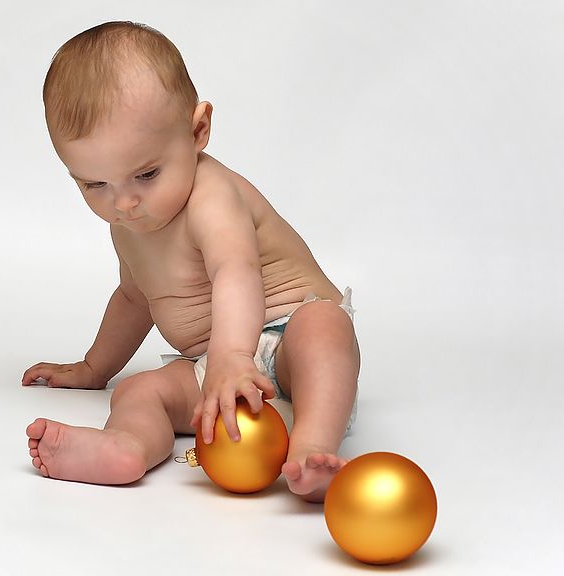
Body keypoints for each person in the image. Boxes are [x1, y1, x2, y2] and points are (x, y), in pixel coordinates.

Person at [24, 21, 360, 502]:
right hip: (215, 370)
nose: (124, 203)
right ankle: (129, 446)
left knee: (324, 326)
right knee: (139, 392)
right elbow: (133, 298)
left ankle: (311, 451)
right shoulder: (129, 225)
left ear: (197, 129)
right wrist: (94, 369)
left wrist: (233, 357)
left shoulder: (212, 196)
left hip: (287, 351)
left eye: (146, 174)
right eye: (94, 184)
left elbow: (235, 271)